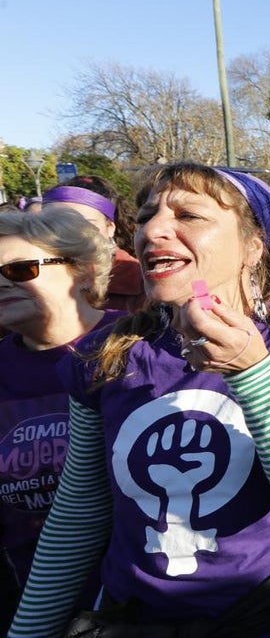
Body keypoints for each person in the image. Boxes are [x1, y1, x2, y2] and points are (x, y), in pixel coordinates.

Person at [9, 165, 270, 636]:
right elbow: (79, 513)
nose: (153, 230)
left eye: (188, 215)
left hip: (268, 615)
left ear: (252, 247)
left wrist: (253, 372)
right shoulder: (104, 350)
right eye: (147, 216)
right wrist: (28, 632)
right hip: (135, 617)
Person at [0, 206, 118, 630]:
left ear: (84, 271)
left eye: (18, 269)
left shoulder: (139, 347)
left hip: (136, 602)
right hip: (30, 600)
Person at [41, 175, 146, 313]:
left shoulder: (142, 283)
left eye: (84, 225)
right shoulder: (22, 277)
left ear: (110, 228)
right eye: (52, 225)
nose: (67, 235)